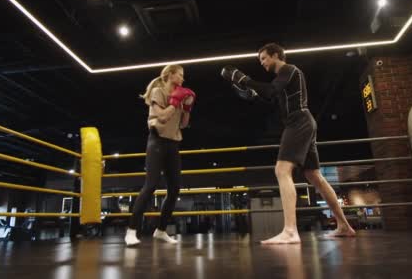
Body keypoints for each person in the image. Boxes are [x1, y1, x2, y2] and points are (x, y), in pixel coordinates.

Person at [221, 43, 355, 244]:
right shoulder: (281, 80)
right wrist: (251, 93)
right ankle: (344, 225)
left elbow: (270, 91)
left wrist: (244, 79)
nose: (263, 63)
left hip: (298, 121)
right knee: (314, 175)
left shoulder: (289, 70)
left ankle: (291, 231)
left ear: (276, 55)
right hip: (303, 121)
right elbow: (270, 97)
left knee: (282, 170)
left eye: (264, 58)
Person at [125, 64, 196, 246]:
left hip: (173, 143)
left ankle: (161, 230)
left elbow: (183, 125)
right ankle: (131, 231)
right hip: (157, 141)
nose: (182, 79)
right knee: (151, 185)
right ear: (170, 75)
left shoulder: (180, 97)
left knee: (175, 189)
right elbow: (162, 117)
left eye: (183, 76)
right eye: (180, 75)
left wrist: (187, 108)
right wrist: (174, 102)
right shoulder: (158, 91)